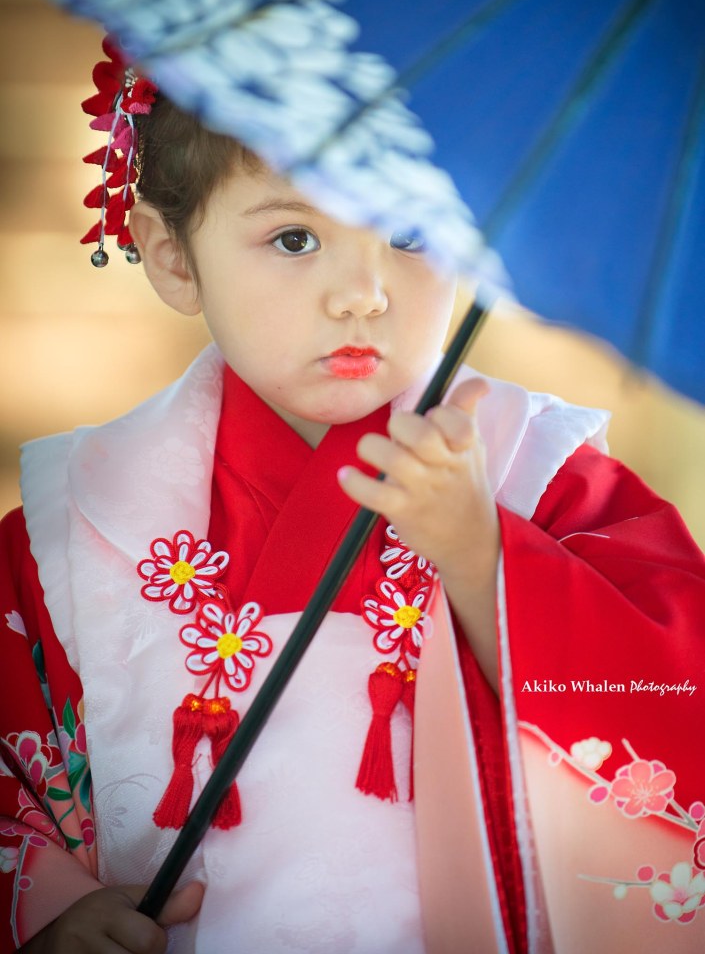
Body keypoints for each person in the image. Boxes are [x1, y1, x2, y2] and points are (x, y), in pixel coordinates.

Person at [1, 48, 705, 954]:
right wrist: (51, 911)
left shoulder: (539, 474)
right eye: (294, 239)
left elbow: (674, 696)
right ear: (172, 256)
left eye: (410, 233)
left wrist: (484, 558)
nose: (363, 296)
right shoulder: (73, 524)